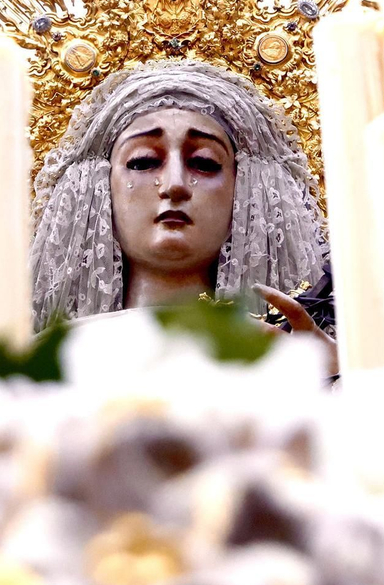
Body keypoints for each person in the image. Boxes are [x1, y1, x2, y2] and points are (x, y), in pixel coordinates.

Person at [29, 60, 334, 362]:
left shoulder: (300, 364)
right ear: (97, 188)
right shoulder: (49, 365)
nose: (174, 184)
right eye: (143, 162)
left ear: (248, 191)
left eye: (204, 163)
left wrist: (330, 372)